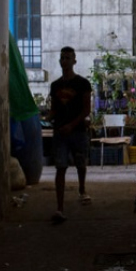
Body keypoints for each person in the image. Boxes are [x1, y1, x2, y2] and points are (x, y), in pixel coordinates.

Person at [46, 46, 93, 224]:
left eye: (67, 58)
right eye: (62, 58)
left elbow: (86, 109)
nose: (64, 61)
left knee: (81, 164)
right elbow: (54, 110)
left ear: (74, 61)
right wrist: (45, 118)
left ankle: (82, 189)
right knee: (60, 168)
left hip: (78, 131)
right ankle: (59, 208)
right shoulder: (55, 85)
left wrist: (72, 125)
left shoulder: (82, 83)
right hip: (60, 133)